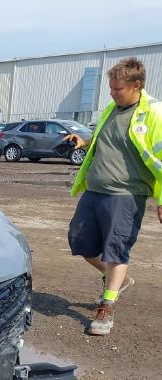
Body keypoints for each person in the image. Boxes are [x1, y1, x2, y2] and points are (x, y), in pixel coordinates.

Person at [66, 57, 162, 336]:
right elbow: (104, 139)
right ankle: (118, 280)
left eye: (118, 89)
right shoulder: (111, 108)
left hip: (127, 194)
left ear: (137, 85)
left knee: (116, 248)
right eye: (110, 88)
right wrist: (83, 142)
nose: (112, 93)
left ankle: (106, 308)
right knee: (80, 242)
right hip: (95, 190)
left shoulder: (154, 113)